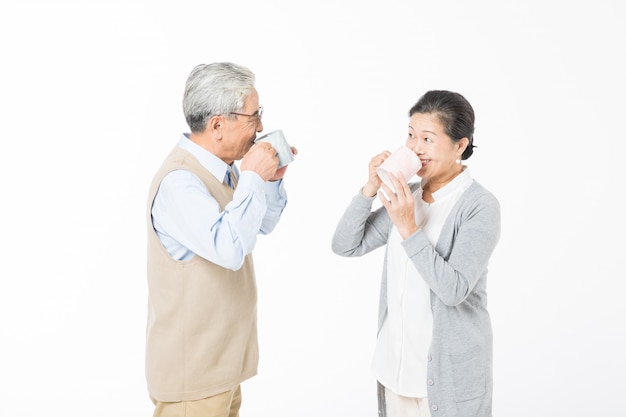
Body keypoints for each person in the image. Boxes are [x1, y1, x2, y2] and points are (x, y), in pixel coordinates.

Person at [331, 90, 500, 417]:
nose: (415, 147)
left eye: (427, 138)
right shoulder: (408, 194)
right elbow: (346, 244)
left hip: (447, 380)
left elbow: (453, 291)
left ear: (459, 146)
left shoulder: (479, 206)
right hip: (394, 371)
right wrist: (369, 189)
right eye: (410, 135)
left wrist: (409, 227)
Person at [145, 62, 296, 417]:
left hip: (221, 369)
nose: (260, 127)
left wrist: (269, 181)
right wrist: (252, 180)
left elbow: (258, 228)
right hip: (193, 377)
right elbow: (228, 250)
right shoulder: (180, 183)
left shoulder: (226, 171)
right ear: (217, 125)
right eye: (253, 116)